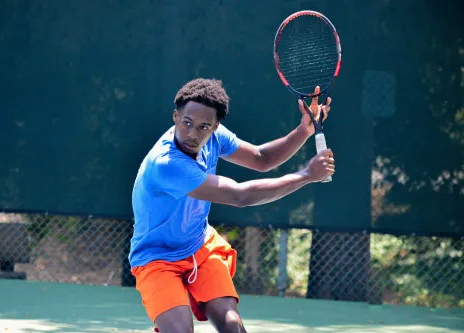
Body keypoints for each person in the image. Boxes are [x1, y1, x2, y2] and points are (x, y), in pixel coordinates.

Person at [129, 78, 335, 333]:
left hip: (198, 246)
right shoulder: (167, 164)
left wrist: (304, 130)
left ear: (215, 126)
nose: (193, 133)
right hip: (156, 258)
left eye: (204, 127)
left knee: (232, 326)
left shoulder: (215, 137)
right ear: (175, 116)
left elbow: (262, 158)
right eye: (187, 123)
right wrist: (306, 175)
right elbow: (240, 196)